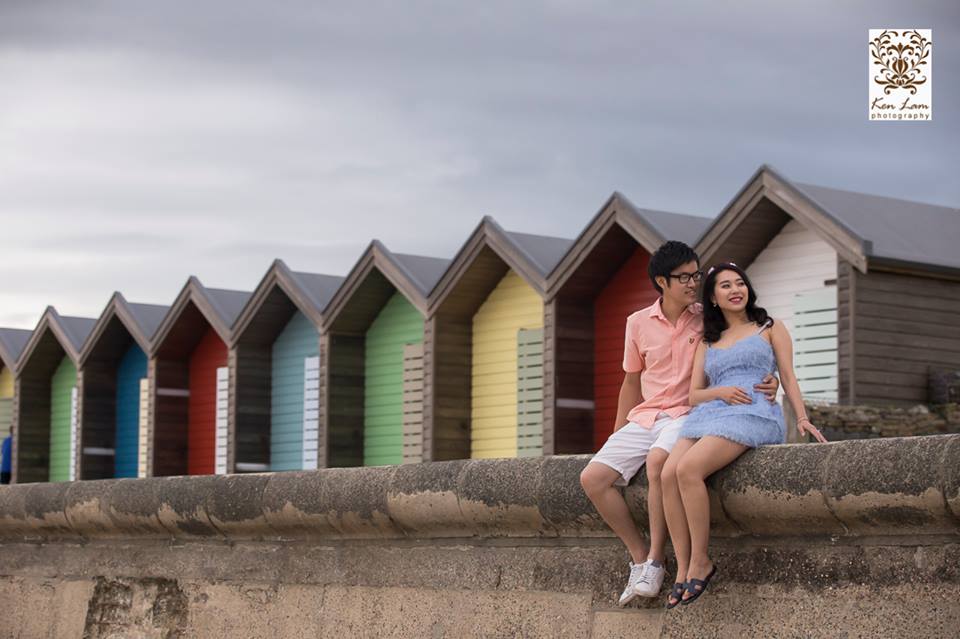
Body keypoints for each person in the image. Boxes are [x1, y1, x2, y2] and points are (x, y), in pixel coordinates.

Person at [579, 243, 779, 607]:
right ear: (662, 281)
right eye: (684, 277)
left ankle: (657, 560)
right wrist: (616, 432)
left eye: (696, 275)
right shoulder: (637, 323)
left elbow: (747, 347)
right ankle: (639, 556)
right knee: (591, 479)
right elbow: (631, 382)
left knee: (659, 462)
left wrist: (771, 380)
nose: (693, 283)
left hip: (688, 413)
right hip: (646, 415)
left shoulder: (709, 317)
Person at [660, 262, 828, 608]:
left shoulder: (769, 327)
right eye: (725, 286)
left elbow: (788, 376)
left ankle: (701, 561)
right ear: (713, 298)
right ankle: (681, 568)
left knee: (688, 470)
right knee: (666, 473)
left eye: (740, 283)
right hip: (709, 411)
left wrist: (802, 417)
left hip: (753, 412)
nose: (735, 290)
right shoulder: (709, 340)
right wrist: (719, 393)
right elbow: (693, 394)